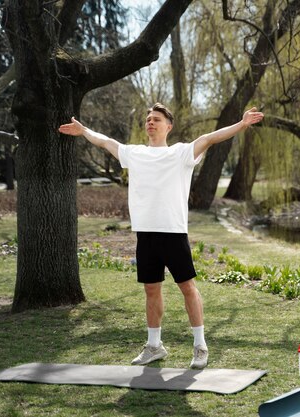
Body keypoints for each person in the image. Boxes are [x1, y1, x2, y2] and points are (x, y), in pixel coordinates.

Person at [59, 103, 264, 368]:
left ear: (168, 126)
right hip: (145, 233)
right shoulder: (135, 153)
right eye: (148, 119)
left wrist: (242, 124)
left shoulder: (181, 153)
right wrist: (83, 130)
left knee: (187, 287)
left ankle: (200, 346)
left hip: (173, 232)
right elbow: (105, 142)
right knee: (151, 289)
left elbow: (211, 138)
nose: (150, 123)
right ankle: (154, 346)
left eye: (156, 119)